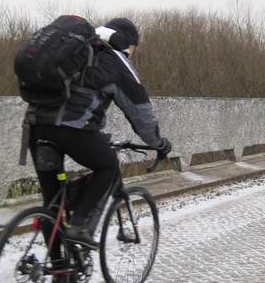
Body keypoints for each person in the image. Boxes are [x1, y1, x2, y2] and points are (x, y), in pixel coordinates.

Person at [26, 16, 171, 250]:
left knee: (51, 205)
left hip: (36, 126)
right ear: (130, 45)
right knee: (109, 168)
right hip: (73, 128)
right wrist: (159, 143)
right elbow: (142, 115)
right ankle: (80, 226)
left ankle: (58, 270)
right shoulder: (118, 62)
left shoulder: (80, 52)